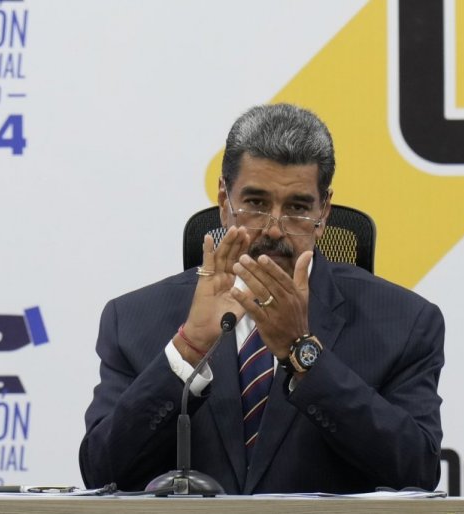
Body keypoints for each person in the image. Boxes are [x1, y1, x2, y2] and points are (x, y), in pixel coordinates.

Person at [79, 103, 445, 494]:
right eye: (256, 204)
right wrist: (189, 348)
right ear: (224, 202)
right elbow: (101, 472)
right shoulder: (132, 320)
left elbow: (416, 472)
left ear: (323, 212)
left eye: (297, 208)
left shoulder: (405, 323)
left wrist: (303, 355)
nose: (274, 229)